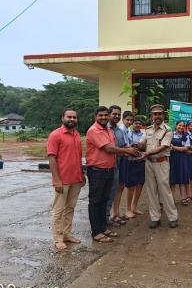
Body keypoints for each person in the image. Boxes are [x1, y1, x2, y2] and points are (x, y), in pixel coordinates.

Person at [86, 106, 140, 243]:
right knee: (95, 202)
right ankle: (96, 232)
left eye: (105, 115)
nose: (104, 118)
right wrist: (128, 152)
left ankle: (103, 228)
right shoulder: (94, 130)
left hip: (110, 169)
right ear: (95, 117)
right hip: (97, 170)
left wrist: (130, 151)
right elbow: (109, 148)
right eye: (101, 115)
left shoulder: (108, 130)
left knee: (104, 200)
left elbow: (117, 149)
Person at [47, 109, 85, 250]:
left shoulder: (76, 134)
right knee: (58, 210)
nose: (72, 119)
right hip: (62, 180)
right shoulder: (55, 135)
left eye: (74, 117)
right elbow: (52, 158)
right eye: (69, 117)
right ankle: (58, 238)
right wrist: (56, 180)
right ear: (62, 118)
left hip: (76, 178)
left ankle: (67, 234)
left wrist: (82, 175)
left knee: (70, 208)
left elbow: (78, 157)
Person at [138, 104, 179, 229]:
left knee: (164, 190)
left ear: (163, 115)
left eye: (160, 113)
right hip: (149, 163)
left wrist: (147, 153)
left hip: (161, 163)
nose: (157, 116)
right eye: (155, 114)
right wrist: (135, 146)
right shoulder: (148, 130)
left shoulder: (168, 130)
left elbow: (164, 146)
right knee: (151, 191)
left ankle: (173, 217)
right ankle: (155, 217)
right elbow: (141, 143)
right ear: (151, 116)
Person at [119, 115, 145, 219]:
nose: (137, 125)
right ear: (132, 125)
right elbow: (127, 146)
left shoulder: (144, 134)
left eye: (139, 123)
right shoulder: (128, 133)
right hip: (131, 162)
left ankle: (134, 207)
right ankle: (128, 209)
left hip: (142, 161)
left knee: (140, 184)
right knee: (131, 186)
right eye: (135, 123)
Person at [106, 105, 127, 227]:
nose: (117, 116)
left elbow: (123, 147)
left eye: (119, 114)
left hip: (119, 164)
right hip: (107, 166)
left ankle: (115, 214)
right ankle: (105, 218)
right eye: (114, 114)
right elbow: (109, 149)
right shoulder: (104, 130)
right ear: (109, 114)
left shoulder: (119, 130)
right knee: (107, 193)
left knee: (117, 189)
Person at [170, 120, 191, 205]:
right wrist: (177, 148)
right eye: (179, 125)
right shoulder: (171, 134)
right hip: (172, 159)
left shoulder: (186, 136)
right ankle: (171, 199)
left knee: (182, 178)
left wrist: (174, 147)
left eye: (183, 126)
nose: (181, 127)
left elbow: (186, 148)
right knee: (172, 179)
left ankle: (183, 198)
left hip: (182, 159)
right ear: (176, 125)